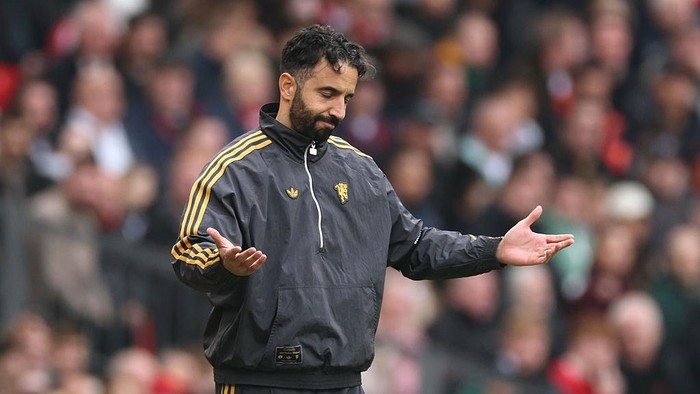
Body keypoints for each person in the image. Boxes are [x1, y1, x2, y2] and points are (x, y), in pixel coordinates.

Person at [169, 24, 574, 393]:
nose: (339, 111)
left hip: (345, 382)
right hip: (258, 383)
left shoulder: (361, 170)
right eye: (327, 94)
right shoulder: (235, 167)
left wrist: (494, 249)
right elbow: (190, 250)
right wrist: (225, 266)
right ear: (288, 86)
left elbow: (415, 246)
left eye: (347, 98)